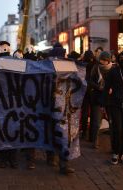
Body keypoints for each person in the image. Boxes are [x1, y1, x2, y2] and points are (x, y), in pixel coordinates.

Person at [47, 42, 75, 175]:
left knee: (57, 134)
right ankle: (58, 161)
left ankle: (58, 161)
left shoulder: (47, 66)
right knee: (59, 134)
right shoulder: (66, 67)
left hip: (57, 107)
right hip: (58, 107)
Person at [0, 41, 18, 169]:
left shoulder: (15, 64)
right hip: (0, 105)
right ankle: (4, 158)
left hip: (13, 105)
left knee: (12, 131)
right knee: (2, 132)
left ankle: (12, 158)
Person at [89, 51, 113, 149]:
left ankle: (114, 143)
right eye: (102, 60)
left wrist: (112, 88)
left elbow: (116, 81)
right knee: (96, 122)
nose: (103, 62)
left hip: (110, 98)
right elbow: (90, 81)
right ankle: (95, 142)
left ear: (109, 61)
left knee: (112, 121)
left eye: (105, 60)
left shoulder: (113, 68)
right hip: (97, 97)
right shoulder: (96, 67)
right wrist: (99, 87)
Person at [80, 50, 96, 140]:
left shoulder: (82, 65)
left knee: (85, 113)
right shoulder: (95, 64)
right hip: (93, 91)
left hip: (85, 90)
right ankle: (92, 135)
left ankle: (84, 132)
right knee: (93, 113)